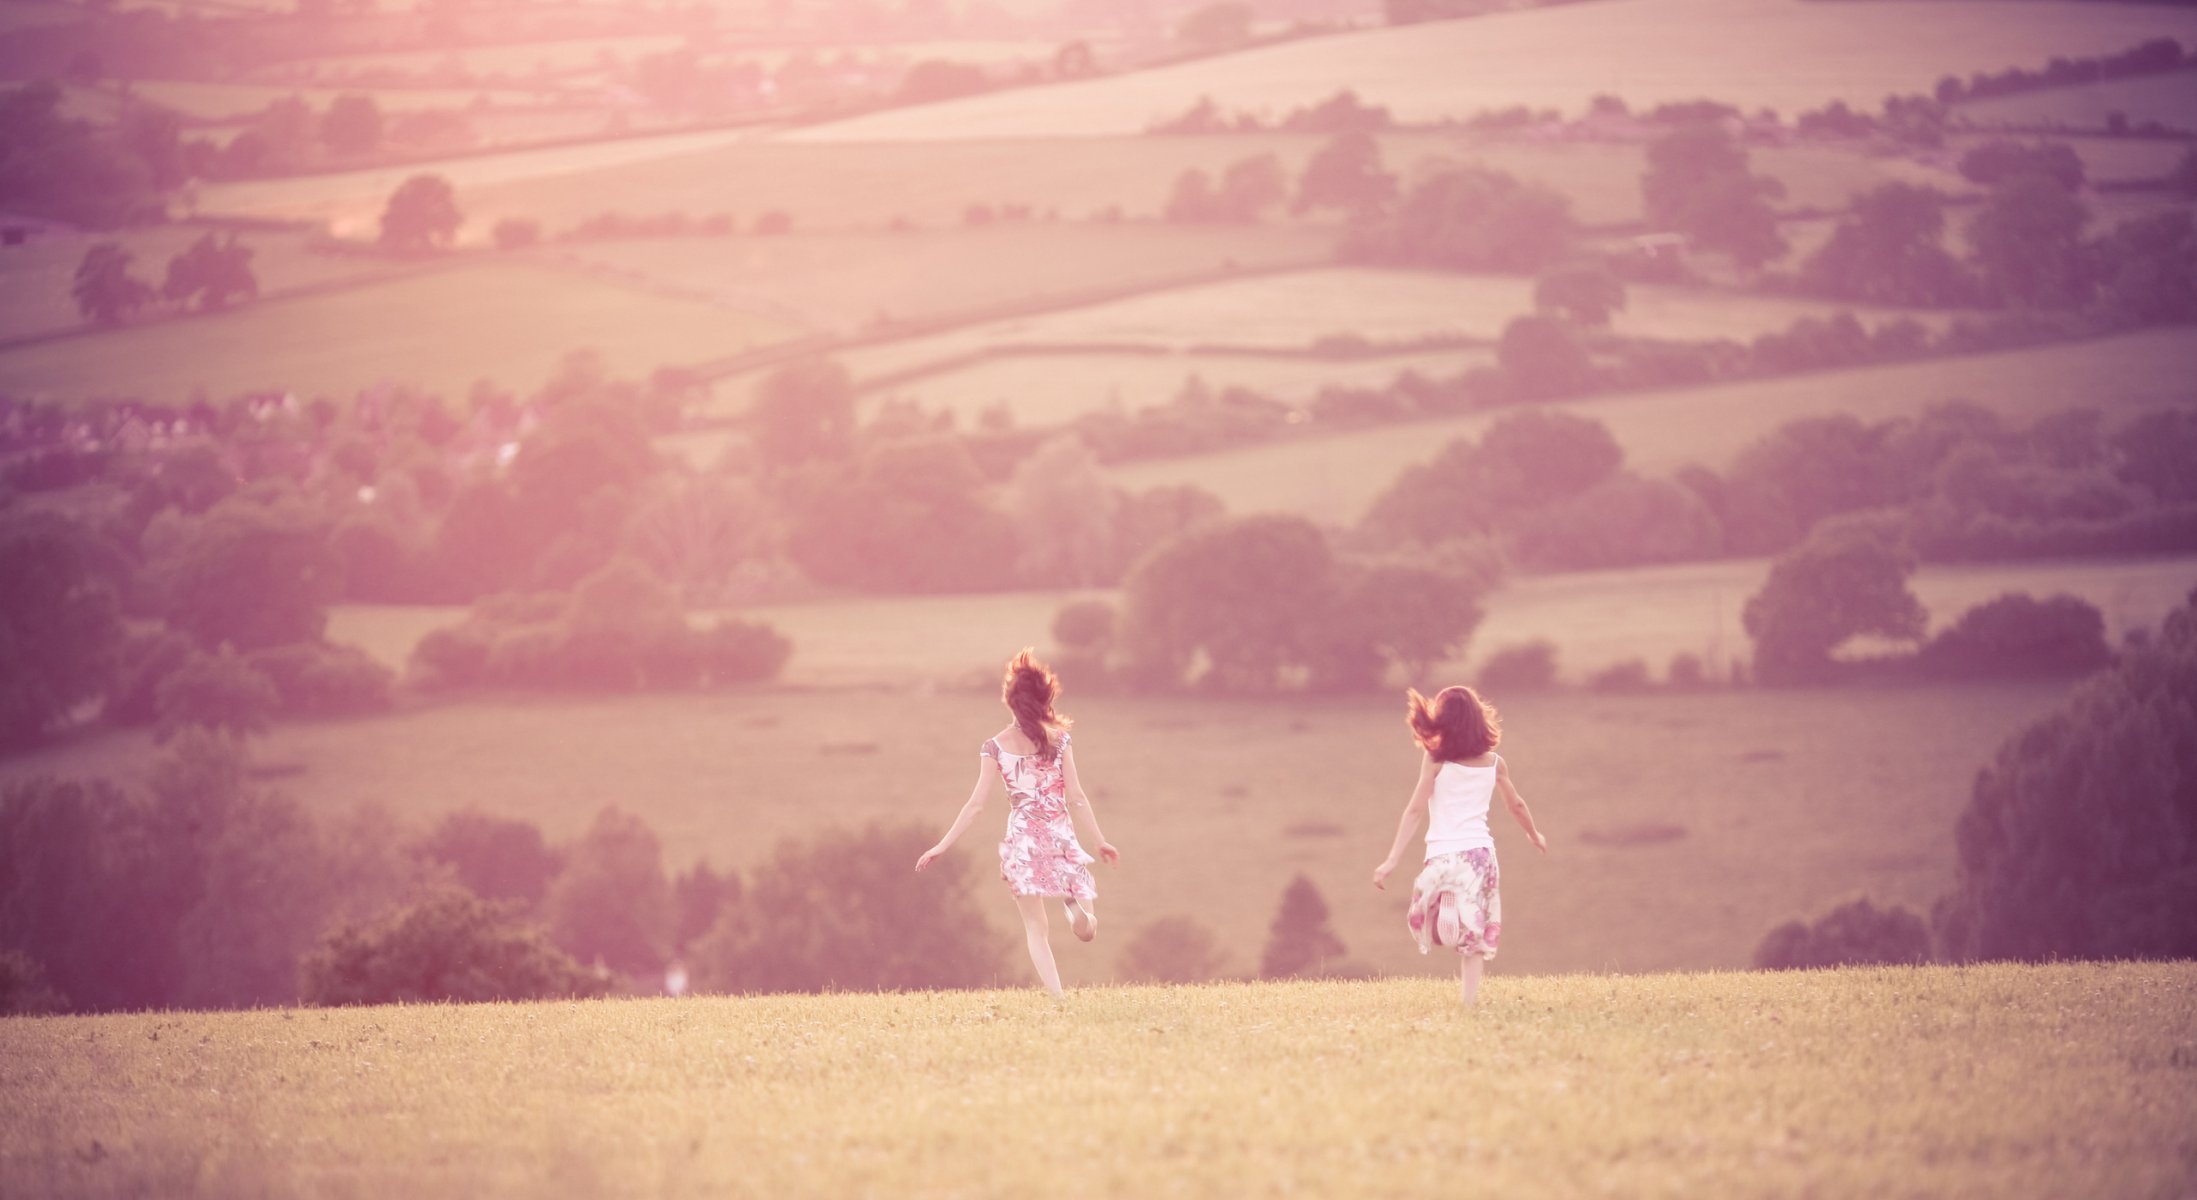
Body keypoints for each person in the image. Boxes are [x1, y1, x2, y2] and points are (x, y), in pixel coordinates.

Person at [916, 649, 1119, 998]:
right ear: (1045, 698)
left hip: (1022, 842)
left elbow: (975, 805)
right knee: (1087, 932)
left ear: (1009, 701)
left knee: (1035, 928)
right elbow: (1077, 796)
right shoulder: (1060, 740)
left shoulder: (994, 748)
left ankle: (1059, 998)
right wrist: (1100, 840)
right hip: (1058, 835)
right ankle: (1077, 909)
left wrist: (941, 845)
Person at [1372, 684, 1547, 1006]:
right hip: (1480, 854)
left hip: (1442, 852)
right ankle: (1469, 1003)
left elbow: (1414, 809)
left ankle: (1443, 905)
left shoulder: (1436, 760)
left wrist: (1392, 859)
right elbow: (1516, 805)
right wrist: (1533, 834)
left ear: (1445, 721)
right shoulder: (1494, 763)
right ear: (1478, 719)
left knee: (1430, 915)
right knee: (1474, 936)